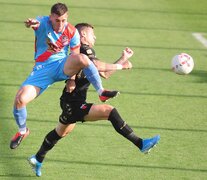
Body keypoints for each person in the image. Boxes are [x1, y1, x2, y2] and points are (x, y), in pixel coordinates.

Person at [27, 23, 160, 177]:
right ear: (83, 36)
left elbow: (104, 74)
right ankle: (141, 143)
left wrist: (123, 59)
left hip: (70, 101)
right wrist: (122, 66)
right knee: (109, 111)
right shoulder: (84, 49)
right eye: (92, 34)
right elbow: (97, 65)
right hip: (73, 102)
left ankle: (37, 158)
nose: (95, 37)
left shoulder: (84, 51)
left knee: (61, 132)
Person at [10, 3, 123, 149]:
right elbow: (36, 23)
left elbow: (75, 57)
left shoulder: (71, 32)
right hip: (42, 71)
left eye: (63, 20)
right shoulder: (43, 22)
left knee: (83, 58)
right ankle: (23, 131)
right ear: (51, 18)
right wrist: (31, 24)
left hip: (61, 66)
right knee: (20, 100)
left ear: (67, 18)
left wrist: (71, 79)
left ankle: (101, 91)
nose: (60, 24)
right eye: (57, 21)